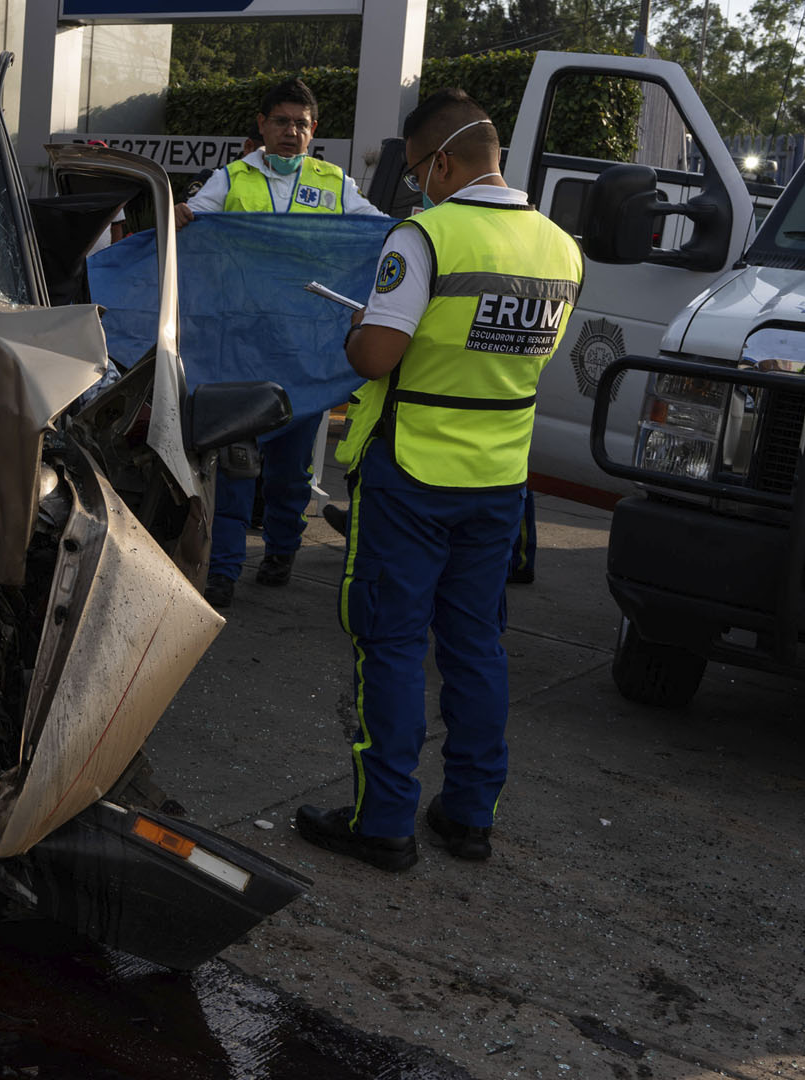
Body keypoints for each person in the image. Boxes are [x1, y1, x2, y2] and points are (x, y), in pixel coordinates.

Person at [293, 89, 584, 872]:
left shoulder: (423, 237)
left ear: (444, 163)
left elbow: (377, 358)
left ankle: (382, 822)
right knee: (476, 645)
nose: (418, 184)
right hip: (499, 478)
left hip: (412, 473)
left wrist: (361, 330)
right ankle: (468, 816)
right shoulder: (561, 248)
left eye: (420, 170)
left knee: (387, 643)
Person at [173, 78, 384, 609]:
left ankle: (282, 550)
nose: (292, 132)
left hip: (305, 351)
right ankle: (221, 571)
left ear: (314, 131)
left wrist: (430, 229)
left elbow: (381, 231)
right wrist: (181, 216)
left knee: (291, 470)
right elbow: (192, 223)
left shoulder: (335, 183)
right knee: (238, 461)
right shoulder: (230, 179)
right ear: (261, 124)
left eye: (302, 124)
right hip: (241, 347)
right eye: (282, 121)